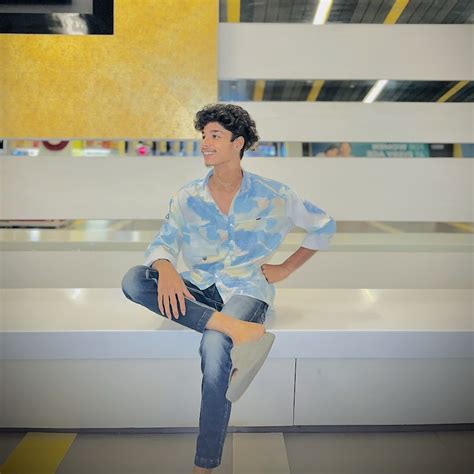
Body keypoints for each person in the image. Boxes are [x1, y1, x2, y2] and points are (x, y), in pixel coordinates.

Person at [121, 103, 336, 473]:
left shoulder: (274, 194)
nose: (205, 142)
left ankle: (204, 463)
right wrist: (165, 267)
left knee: (214, 344)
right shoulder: (187, 196)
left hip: (247, 289)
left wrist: (285, 268)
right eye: (204, 135)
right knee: (133, 280)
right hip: (201, 286)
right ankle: (237, 329)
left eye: (215, 135)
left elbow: (324, 226)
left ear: (238, 143)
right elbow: (163, 241)